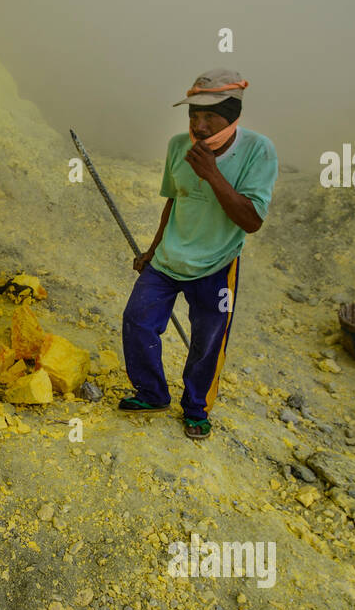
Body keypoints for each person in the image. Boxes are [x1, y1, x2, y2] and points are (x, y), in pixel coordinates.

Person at [119, 68, 278, 439]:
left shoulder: (258, 150)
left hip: (217, 264)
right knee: (137, 319)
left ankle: (196, 408)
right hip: (168, 258)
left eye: (210, 116)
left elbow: (251, 221)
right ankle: (152, 393)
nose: (200, 125)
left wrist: (213, 174)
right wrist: (152, 249)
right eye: (193, 115)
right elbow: (175, 201)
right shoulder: (178, 146)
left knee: (207, 341)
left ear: (233, 114)